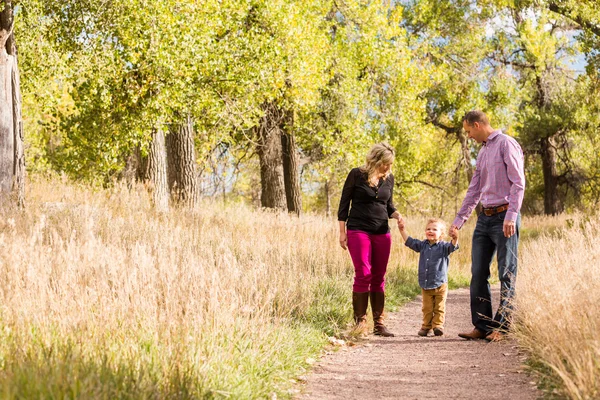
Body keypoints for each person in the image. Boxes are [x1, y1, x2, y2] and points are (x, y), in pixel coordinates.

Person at [451, 111, 525, 342]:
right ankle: (482, 325)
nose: (469, 136)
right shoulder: (482, 152)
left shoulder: (506, 144)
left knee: (506, 272)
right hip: (484, 218)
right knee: (478, 273)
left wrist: (511, 216)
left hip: (505, 217)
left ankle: (502, 328)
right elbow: (474, 189)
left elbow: (518, 182)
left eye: (469, 131)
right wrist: (458, 221)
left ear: (477, 125)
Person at [338, 142, 402, 337]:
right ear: (376, 160)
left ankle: (379, 323)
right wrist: (342, 232)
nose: (388, 168)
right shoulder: (356, 174)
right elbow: (343, 205)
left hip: (382, 231)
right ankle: (360, 323)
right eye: (386, 163)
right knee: (363, 272)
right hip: (358, 230)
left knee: (379, 275)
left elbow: (388, 205)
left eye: (390, 164)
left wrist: (398, 215)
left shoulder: (388, 179)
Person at [399, 218, 459, 337]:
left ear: (441, 233)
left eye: (434, 229)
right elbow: (410, 242)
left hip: (440, 283)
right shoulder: (422, 245)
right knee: (427, 308)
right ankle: (426, 326)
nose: (430, 231)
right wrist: (402, 230)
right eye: (428, 229)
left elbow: (453, 246)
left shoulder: (444, 247)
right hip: (425, 283)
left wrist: (455, 237)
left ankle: (437, 326)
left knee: (439, 307)